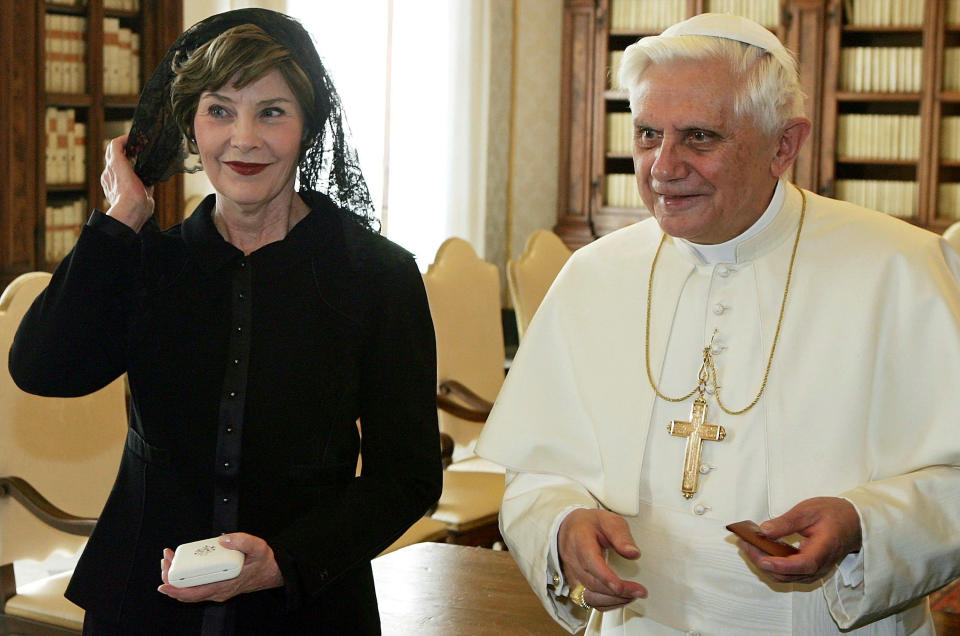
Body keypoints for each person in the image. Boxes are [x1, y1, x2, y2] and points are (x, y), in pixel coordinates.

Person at [476, 12, 960, 635]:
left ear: (784, 145)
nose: (662, 167)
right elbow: (534, 470)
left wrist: (863, 527)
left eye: (699, 137)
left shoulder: (901, 269)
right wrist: (562, 524)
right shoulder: (594, 276)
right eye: (648, 134)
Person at [9, 9, 441, 635]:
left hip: (307, 603)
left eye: (272, 111)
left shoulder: (378, 276)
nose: (244, 139)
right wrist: (121, 218)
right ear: (188, 126)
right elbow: (43, 369)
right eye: (218, 110)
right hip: (143, 606)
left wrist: (283, 562)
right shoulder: (147, 263)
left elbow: (408, 476)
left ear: (308, 125)